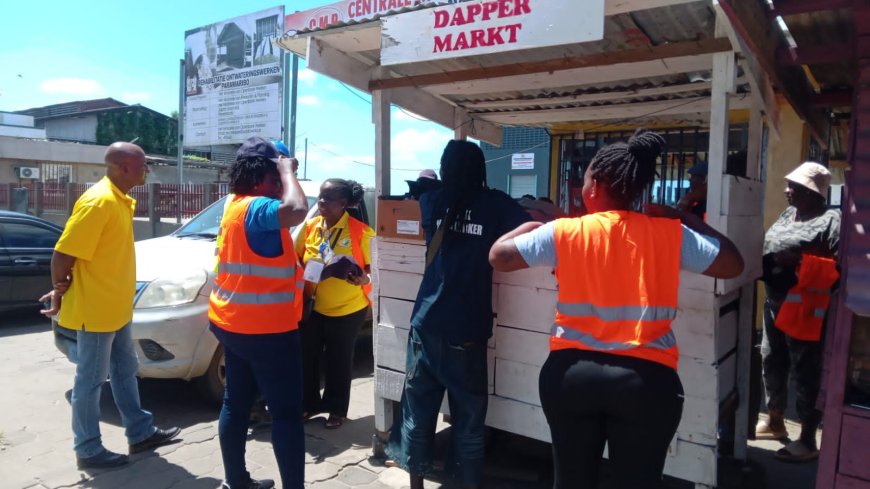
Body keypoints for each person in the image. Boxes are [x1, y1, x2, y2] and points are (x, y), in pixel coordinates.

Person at [489, 129, 744, 489]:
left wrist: (528, 226)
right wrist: (683, 217)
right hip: (646, 382)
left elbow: (499, 257)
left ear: (595, 185)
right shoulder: (669, 233)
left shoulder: (565, 231)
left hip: (571, 376)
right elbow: (732, 263)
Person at [386, 140, 532, 489]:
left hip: (425, 324)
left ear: (445, 169)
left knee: (418, 413)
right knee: (468, 422)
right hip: (466, 329)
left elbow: (423, 197)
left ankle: (417, 485)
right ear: (481, 169)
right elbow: (531, 226)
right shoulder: (495, 204)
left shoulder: (431, 201)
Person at [39, 142, 181, 469]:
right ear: (123, 167)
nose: (147, 170)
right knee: (90, 381)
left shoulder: (119, 199)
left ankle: (140, 432)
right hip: (96, 310)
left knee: (124, 370)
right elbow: (63, 253)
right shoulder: (99, 202)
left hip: (116, 306)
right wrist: (59, 288)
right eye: (142, 165)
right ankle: (88, 449)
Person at [208, 137, 309, 489]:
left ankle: (236, 482)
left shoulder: (234, 205)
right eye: (278, 174)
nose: (282, 183)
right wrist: (287, 170)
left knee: (235, 403)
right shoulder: (258, 207)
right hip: (267, 332)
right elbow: (297, 209)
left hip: (231, 324)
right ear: (268, 173)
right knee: (286, 414)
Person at [755, 161, 840, 463]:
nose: (787, 190)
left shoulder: (832, 220)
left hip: (805, 308)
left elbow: (839, 269)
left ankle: (807, 438)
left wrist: (800, 261)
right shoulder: (788, 214)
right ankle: (775, 420)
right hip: (775, 303)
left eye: (794, 187)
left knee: (805, 370)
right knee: (771, 359)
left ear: (813, 192)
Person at [296, 178, 376, 429]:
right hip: (313, 305)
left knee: (338, 360)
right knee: (307, 358)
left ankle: (336, 409)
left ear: (343, 203)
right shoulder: (310, 227)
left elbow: (374, 269)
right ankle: (308, 405)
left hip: (347, 309)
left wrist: (363, 277)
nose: (322, 202)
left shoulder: (361, 232)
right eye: (321, 196)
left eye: (328, 199)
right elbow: (296, 258)